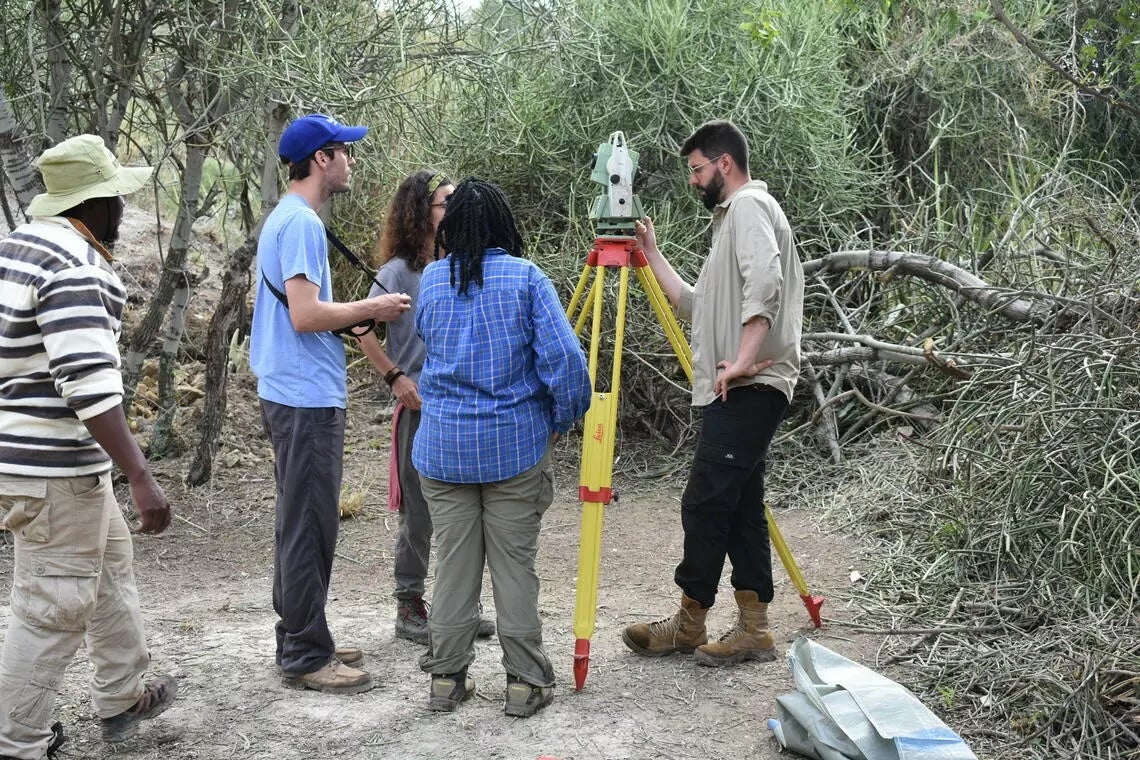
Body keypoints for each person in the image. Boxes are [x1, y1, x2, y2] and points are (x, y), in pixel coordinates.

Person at [0, 135, 178, 759]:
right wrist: (139, 474)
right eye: (116, 200)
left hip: (31, 457)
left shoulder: (19, 247)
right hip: (55, 468)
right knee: (52, 604)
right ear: (95, 204)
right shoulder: (75, 263)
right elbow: (89, 384)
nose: (123, 213)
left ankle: (122, 694)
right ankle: (17, 740)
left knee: (109, 568)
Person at [622, 120, 804, 667]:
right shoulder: (733, 222)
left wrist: (745, 358)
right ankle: (755, 627)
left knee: (703, 503)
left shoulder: (748, 208)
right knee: (742, 506)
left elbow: (766, 283)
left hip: (749, 382)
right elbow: (697, 304)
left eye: (696, 170)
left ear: (724, 163)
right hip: (740, 383)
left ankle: (688, 621)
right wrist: (651, 253)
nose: (693, 181)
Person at [413, 178, 591, 716]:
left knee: (453, 565)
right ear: (502, 225)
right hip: (514, 446)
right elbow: (567, 365)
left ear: (452, 229)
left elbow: (427, 343)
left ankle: (446, 678)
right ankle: (525, 682)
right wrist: (560, 420)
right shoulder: (526, 278)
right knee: (515, 566)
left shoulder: (432, 281)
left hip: (443, 449)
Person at [250, 113, 411, 695]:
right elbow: (306, 314)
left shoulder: (290, 219)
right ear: (321, 159)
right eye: (344, 151)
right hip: (303, 396)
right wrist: (374, 310)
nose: (351, 161)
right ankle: (304, 653)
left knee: (301, 519)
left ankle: (300, 631)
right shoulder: (300, 225)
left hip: (290, 391)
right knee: (309, 525)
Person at [366, 170, 495, 644]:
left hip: (458, 406)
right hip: (420, 408)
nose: (454, 209)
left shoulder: (461, 264)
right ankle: (409, 606)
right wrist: (394, 376)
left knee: (463, 511)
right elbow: (361, 326)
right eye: (446, 202)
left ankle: (456, 606)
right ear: (422, 210)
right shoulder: (398, 272)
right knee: (418, 514)